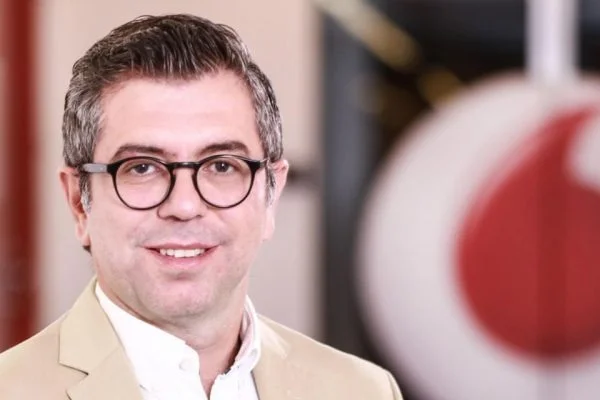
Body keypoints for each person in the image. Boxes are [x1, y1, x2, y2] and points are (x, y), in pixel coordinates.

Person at [0, 13, 403, 399]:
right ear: (79, 202)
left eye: (221, 166)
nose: (184, 204)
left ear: (271, 194)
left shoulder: (363, 391)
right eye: (142, 167)